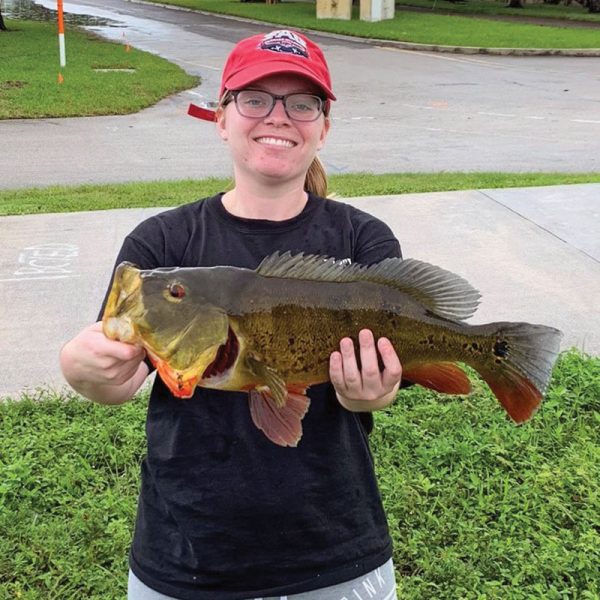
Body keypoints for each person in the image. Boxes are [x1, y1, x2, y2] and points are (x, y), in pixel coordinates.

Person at [60, 29, 403, 600]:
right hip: (186, 551)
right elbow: (115, 361)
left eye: (302, 102)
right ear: (221, 117)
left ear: (323, 126)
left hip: (336, 545)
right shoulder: (162, 243)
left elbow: (384, 381)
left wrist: (373, 392)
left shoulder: (361, 239)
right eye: (254, 98)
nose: (279, 116)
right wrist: (83, 369)